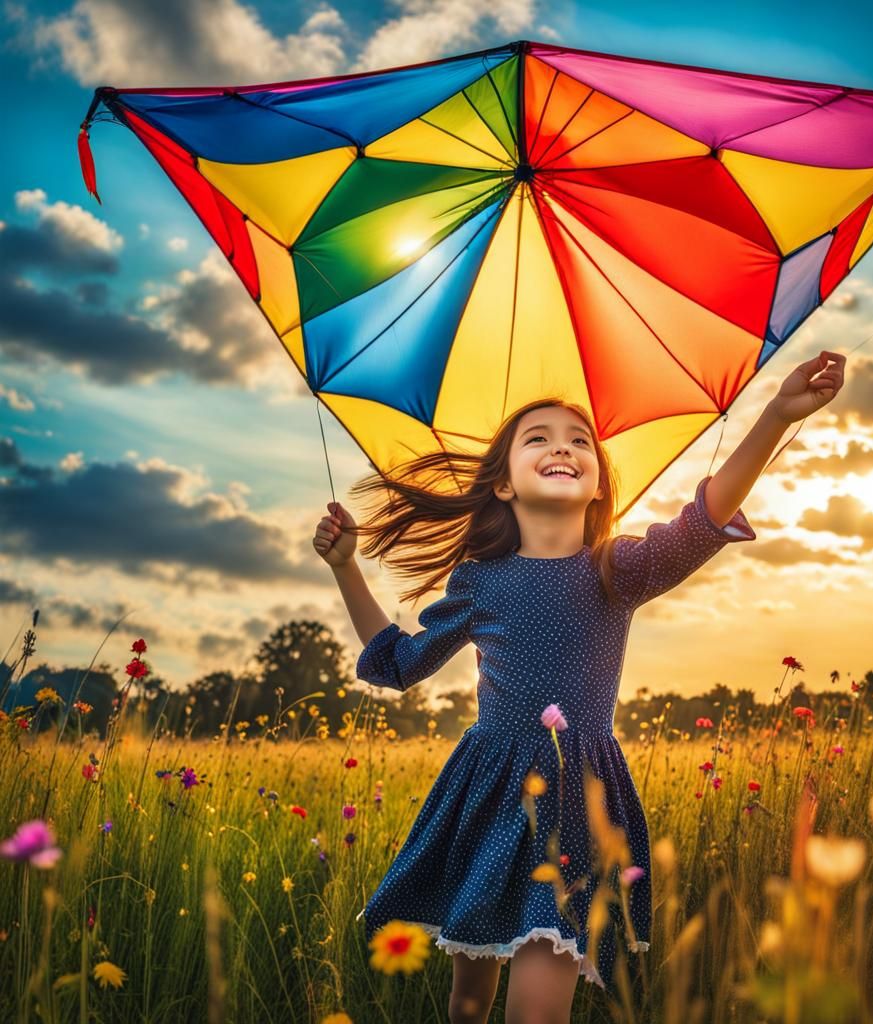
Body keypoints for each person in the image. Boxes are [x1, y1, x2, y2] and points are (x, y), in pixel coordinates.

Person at [313, 351, 845, 1023]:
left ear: (598, 484)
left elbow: (703, 517)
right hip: (488, 792)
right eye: (538, 438)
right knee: (468, 1003)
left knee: (537, 1013)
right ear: (503, 484)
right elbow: (398, 664)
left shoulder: (617, 569)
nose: (562, 447)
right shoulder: (479, 582)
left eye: (579, 442)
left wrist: (775, 415)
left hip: (574, 804)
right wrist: (344, 569)